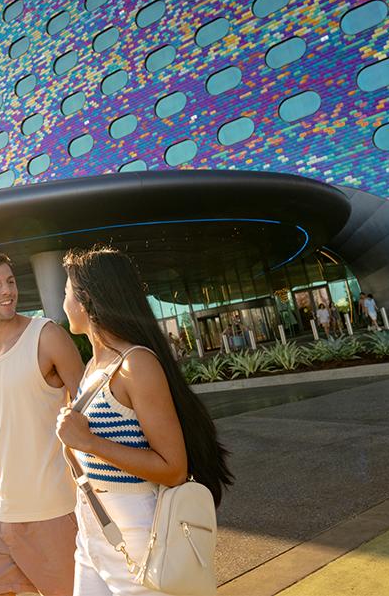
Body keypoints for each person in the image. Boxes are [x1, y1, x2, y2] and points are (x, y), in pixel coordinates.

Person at [56, 246, 233, 595]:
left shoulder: (136, 365)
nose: (63, 304)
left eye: (65, 293)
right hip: (94, 525)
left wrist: (90, 442)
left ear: (86, 299)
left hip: (137, 529)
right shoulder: (94, 368)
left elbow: (173, 468)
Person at [0, 251, 86, 596]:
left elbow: (89, 411)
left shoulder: (46, 336)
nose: (7, 291)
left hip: (51, 508)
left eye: (11, 281)